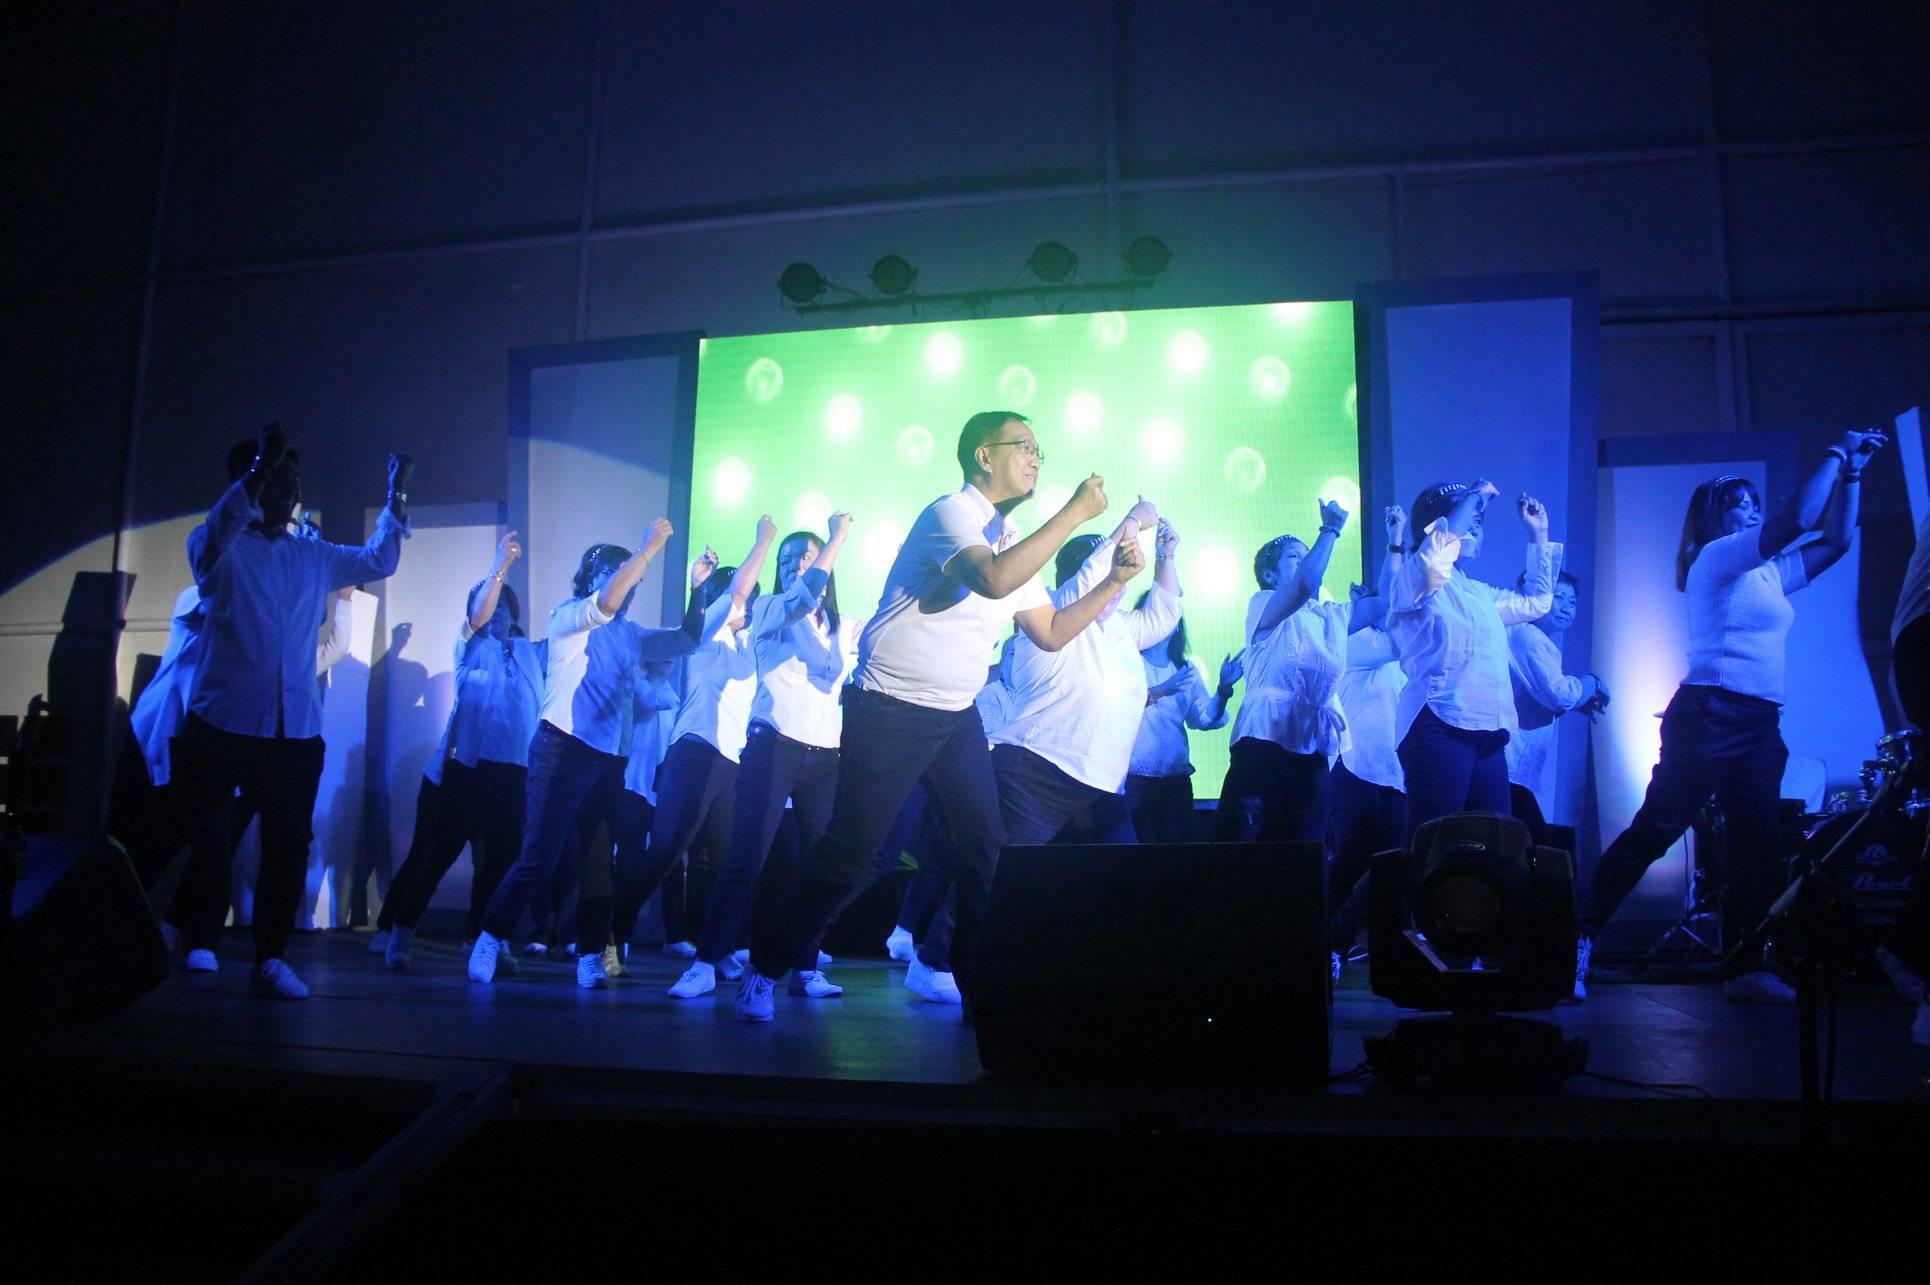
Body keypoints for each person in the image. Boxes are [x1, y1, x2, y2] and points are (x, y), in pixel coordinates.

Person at [734, 409, 1126, 1022]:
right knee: (853, 854)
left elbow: (1050, 631)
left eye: (1039, 451)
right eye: (1023, 446)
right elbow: (991, 580)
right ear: (983, 456)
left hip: (955, 718)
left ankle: (974, 982)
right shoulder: (951, 514)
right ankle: (764, 965)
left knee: (988, 849)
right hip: (890, 707)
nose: (1035, 458)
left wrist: (1113, 583)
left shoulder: (1011, 542)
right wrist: (1074, 513)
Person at [1576, 432, 1885, 1004]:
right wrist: (1836, 452)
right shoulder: (1717, 557)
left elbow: (1837, 541)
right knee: (1658, 828)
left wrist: (1853, 476)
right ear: (1716, 517)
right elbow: (1800, 520)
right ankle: (1578, 936)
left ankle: (1744, 967)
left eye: (1754, 502)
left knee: (1756, 844)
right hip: (1709, 715)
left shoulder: (1768, 574)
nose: (1753, 509)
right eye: (1741, 504)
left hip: (1760, 722)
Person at [168, 424, 410, 999]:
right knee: (211, 836)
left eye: (294, 482)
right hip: (224, 720)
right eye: (280, 480)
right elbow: (213, 541)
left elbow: (380, 558)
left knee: (287, 845)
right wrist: (259, 467)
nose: (292, 491)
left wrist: (396, 493)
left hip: (295, 727)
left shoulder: (312, 554)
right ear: (251, 484)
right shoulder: (219, 547)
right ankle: (199, 936)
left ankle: (271, 959)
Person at [466, 519, 704, 986]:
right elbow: (607, 602)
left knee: (598, 865)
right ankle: (490, 937)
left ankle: (591, 955)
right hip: (562, 750)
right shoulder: (569, 616)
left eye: (632, 576)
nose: (629, 583)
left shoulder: (632, 634)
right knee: (539, 856)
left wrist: (697, 591)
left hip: (608, 762)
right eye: (617, 572)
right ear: (592, 577)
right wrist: (648, 550)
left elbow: (686, 641)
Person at [669, 515, 864, 1000]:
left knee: (819, 867)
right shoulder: (773, 608)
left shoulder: (843, 627)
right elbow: (803, 597)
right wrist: (836, 537)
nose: (796, 564)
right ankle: (706, 962)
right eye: (788, 559)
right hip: (773, 746)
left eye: (806, 556)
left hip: (826, 757)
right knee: (746, 859)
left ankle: (806, 967)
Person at [601, 522, 777, 989]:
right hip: (694, 751)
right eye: (744, 596)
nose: (748, 603)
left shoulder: (753, 644)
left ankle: (718, 950)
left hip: (734, 761)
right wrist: (761, 541)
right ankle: (611, 934)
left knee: (730, 862)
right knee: (665, 850)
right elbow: (730, 597)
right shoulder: (708, 635)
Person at [375, 532, 543, 971]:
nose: (497, 613)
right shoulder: (469, 646)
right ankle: (400, 933)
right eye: (491, 606)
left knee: (500, 864)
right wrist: (500, 566)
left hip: (512, 773)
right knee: (435, 858)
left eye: (504, 606)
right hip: (464, 770)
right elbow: (477, 616)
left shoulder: (529, 653)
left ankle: (481, 940)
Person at [987, 507, 1167, 857]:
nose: (1118, 586)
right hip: (1038, 775)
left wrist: (1166, 555)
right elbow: (1089, 579)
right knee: (999, 873)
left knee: (1124, 879)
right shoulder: (1055, 606)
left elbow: (1161, 619)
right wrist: (1132, 522)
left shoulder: (1119, 629)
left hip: (1100, 785)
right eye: (1112, 569)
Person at [1387, 481, 1560, 841]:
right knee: (1434, 848)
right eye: (1469, 519)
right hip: (1439, 726)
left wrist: (1538, 534)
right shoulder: (1414, 578)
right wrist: (1476, 496)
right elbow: (1434, 563)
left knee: (1492, 849)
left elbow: (1536, 603)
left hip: (1488, 734)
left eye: (1479, 521)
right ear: (1437, 527)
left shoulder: (1478, 593)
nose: (1477, 526)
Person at [1213, 499, 1379, 844]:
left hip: (1311, 743)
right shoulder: (1263, 602)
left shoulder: (1329, 615)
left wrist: (1395, 544)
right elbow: (1304, 584)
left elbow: (1382, 605)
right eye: (1294, 556)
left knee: (1305, 850)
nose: (1305, 561)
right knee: (1244, 847)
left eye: (1308, 555)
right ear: (1270, 575)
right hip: (1265, 740)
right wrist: (1330, 529)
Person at [1504, 570, 1608, 842]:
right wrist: (1592, 682)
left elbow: (1537, 697)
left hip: (1511, 761)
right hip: (1511, 763)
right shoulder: (1531, 638)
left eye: (1572, 601)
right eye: (1558, 597)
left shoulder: (1523, 634)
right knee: (1529, 842)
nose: (1566, 607)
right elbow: (1562, 695)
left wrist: (1572, 704)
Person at [1126, 606, 1240, 845]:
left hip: (1173, 779)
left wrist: (1223, 689)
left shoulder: (1186, 670)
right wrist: (1160, 691)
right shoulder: (1127, 661)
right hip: (1132, 779)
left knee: (1176, 855)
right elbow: (1118, 705)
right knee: (1131, 855)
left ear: (1177, 624)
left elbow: (1203, 718)